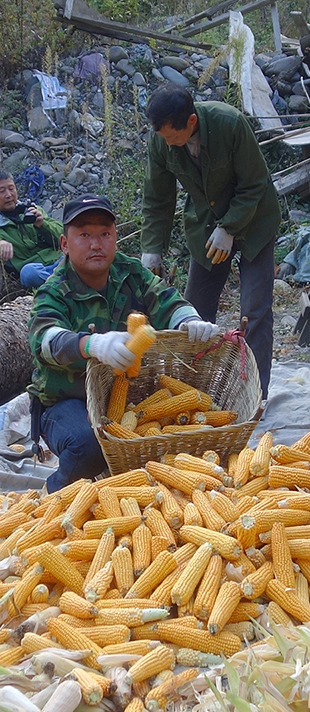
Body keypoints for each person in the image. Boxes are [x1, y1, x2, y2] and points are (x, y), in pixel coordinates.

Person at [28, 193, 219, 493]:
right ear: (65, 244)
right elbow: (44, 340)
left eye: (104, 234)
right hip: (67, 399)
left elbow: (165, 298)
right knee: (88, 447)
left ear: (115, 238)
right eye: (84, 235)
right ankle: (54, 493)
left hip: (125, 391)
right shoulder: (54, 290)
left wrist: (189, 320)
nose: (95, 244)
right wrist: (91, 345)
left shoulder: (129, 273)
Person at [141, 85, 281, 400]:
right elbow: (157, 198)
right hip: (205, 223)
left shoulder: (229, 123)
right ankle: (193, 392)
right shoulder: (161, 140)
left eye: (172, 136)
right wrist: (152, 249)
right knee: (194, 310)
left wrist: (230, 227)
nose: (167, 142)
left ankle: (255, 395)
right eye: (162, 137)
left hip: (255, 220)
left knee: (254, 309)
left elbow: (255, 182)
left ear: (191, 121)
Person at [0, 170, 62, 287]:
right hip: (36, 270)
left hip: (59, 260)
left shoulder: (32, 209)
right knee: (29, 273)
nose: (8, 195)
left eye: (11, 188)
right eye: (2, 191)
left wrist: (43, 225)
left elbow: (65, 237)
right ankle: (67, 281)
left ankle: (62, 281)